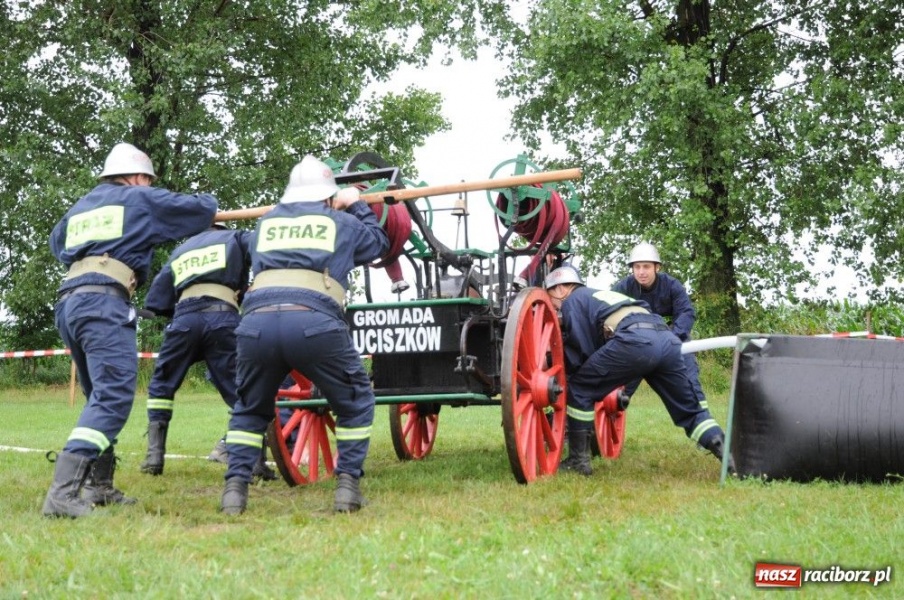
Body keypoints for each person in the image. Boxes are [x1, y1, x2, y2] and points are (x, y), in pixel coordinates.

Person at [44, 142, 218, 518]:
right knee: (114, 395)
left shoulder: (79, 209)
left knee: (98, 396)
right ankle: (62, 493)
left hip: (69, 302)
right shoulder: (139, 200)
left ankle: (99, 486)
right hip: (104, 302)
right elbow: (202, 209)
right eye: (148, 180)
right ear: (138, 178)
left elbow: (57, 245)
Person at [220, 155, 389, 515]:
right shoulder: (339, 220)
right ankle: (347, 488)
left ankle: (234, 491)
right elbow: (377, 245)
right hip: (314, 323)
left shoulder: (264, 226)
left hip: (255, 325)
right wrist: (357, 206)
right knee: (355, 401)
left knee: (248, 410)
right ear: (328, 197)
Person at [544, 265, 732, 476]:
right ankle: (732, 461)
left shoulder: (572, 301)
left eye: (550, 296)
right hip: (666, 339)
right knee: (692, 412)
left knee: (579, 388)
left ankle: (578, 462)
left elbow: (582, 350)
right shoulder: (601, 295)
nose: (553, 305)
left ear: (561, 288)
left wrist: (561, 374)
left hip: (634, 341)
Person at [139, 223, 274, 480]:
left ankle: (154, 457)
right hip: (223, 318)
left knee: (162, 387)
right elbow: (264, 249)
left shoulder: (182, 250)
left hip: (184, 321)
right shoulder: (235, 238)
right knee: (243, 389)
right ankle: (256, 462)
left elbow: (157, 299)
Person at [612, 242, 709, 409]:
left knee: (690, 378)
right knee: (618, 386)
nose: (641, 272)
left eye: (646, 267)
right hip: (638, 343)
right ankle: (608, 418)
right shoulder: (623, 288)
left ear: (657, 267)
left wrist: (672, 337)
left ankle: (703, 417)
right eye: (637, 267)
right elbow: (608, 312)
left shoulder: (672, 285)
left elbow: (687, 312)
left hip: (674, 340)